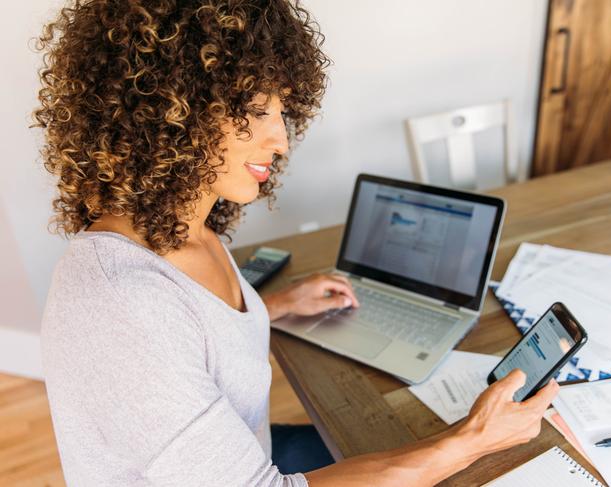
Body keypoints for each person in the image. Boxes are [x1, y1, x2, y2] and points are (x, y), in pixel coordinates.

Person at [34, 1, 559, 486]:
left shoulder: (184, 229)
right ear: (171, 110)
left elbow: (194, 336)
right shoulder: (120, 304)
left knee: (404, 434)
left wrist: (275, 306)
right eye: (259, 111)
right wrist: (473, 440)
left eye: (282, 111)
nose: (282, 140)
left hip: (247, 448)